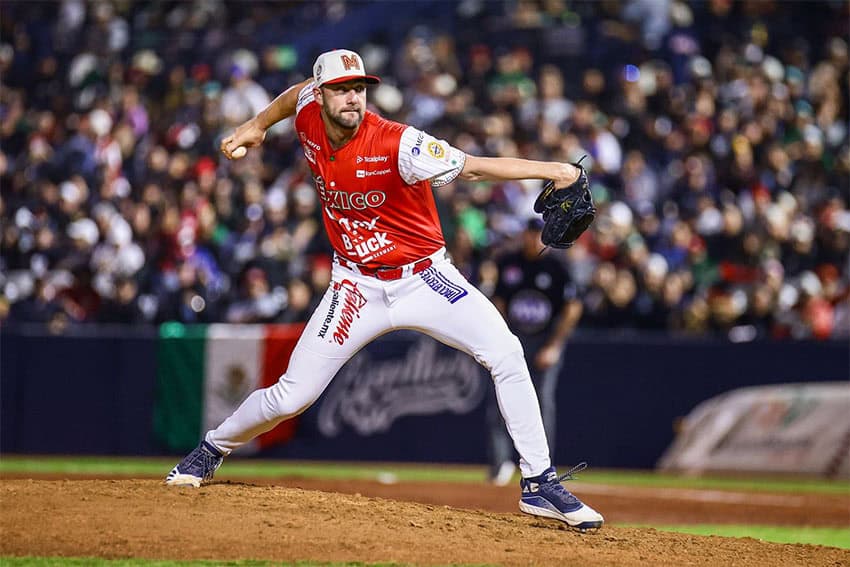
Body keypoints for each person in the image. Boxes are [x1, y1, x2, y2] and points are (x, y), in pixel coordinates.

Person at [165, 49, 603, 530]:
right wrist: (257, 124)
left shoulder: (399, 143)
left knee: (506, 353)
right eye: (341, 89)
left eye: (360, 88)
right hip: (354, 285)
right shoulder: (309, 109)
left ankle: (538, 482)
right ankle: (211, 449)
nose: (353, 97)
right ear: (323, 92)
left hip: (424, 279)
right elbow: (293, 97)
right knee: (291, 398)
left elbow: (472, 168)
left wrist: (557, 171)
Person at [485, 218, 583, 486]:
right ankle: (500, 464)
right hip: (514, 339)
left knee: (542, 401)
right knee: (499, 399)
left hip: (544, 340)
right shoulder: (509, 262)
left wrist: (554, 345)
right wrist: (501, 338)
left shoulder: (558, 266)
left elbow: (573, 308)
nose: (533, 239)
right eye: (529, 234)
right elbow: (499, 302)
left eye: (538, 234)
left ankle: (541, 467)